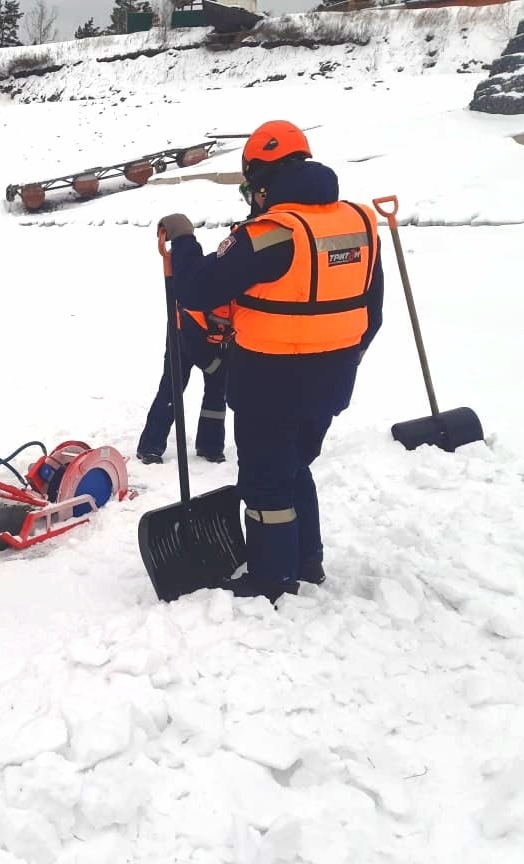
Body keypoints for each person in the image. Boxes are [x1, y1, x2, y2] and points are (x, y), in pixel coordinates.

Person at [158, 120, 384, 602]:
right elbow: (373, 310)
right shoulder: (359, 224)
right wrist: (344, 356)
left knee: (264, 483)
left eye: (248, 186)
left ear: (261, 182)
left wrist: (183, 239)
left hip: (268, 382)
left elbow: (197, 289)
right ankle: (307, 561)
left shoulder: (268, 236)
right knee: (294, 466)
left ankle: (271, 578)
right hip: (333, 381)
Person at [136, 296, 231, 465]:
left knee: (217, 390)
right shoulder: (194, 307)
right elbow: (197, 352)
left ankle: (210, 446)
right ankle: (150, 447)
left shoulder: (239, 300)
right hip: (182, 335)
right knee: (172, 389)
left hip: (218, 337)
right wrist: (217, 367)